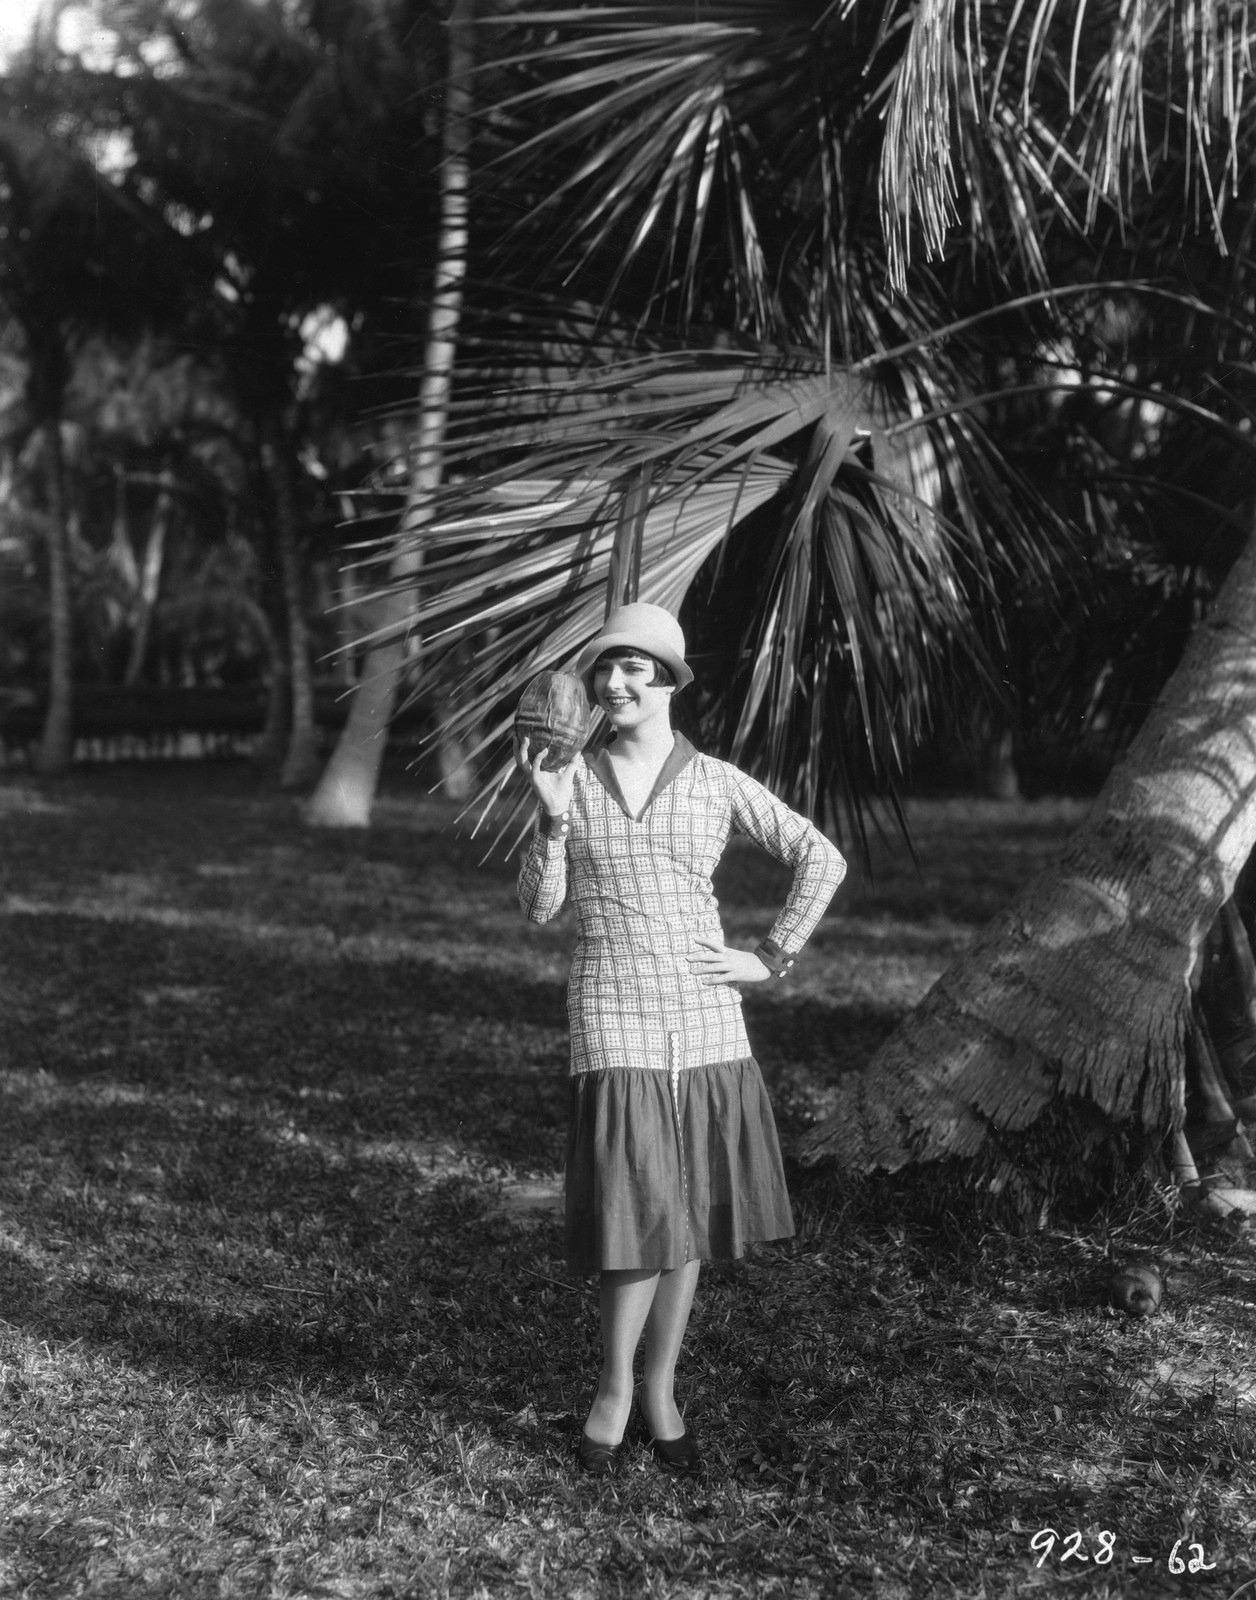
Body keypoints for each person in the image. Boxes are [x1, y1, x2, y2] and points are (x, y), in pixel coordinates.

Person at [515, 602, 846, 1476]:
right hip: (611, 1011)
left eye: (635, 668)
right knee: (638, 1206)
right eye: (605, 667)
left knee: (688, 1213)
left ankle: (661, 1394)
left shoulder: (717, 781)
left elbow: (822, 857)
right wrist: (550, 819)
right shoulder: (569, 776)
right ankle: (612, 1392)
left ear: (668, 682)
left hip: (705, 1017)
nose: (614, 682)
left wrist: (770, 957)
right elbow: (540, 907)